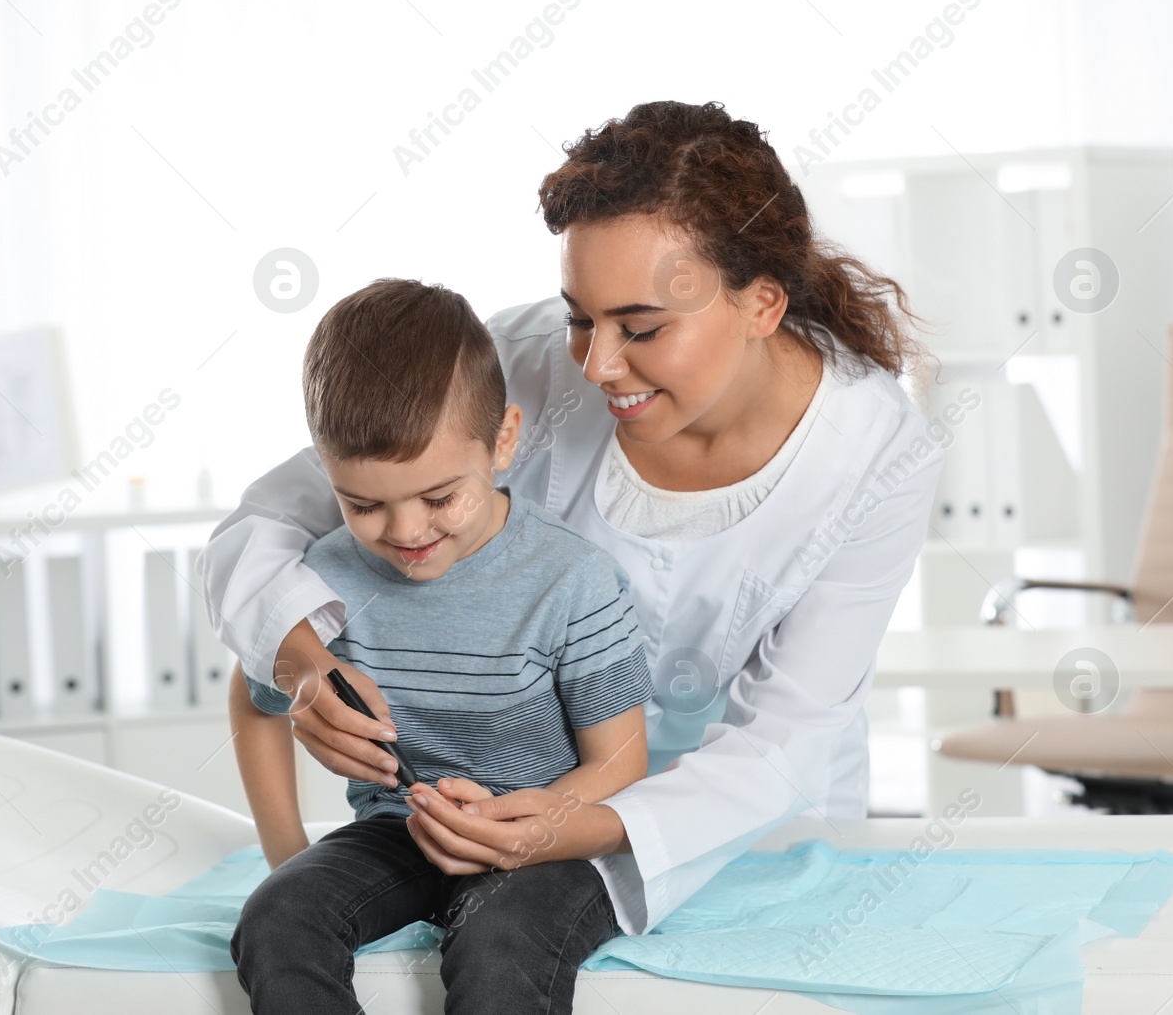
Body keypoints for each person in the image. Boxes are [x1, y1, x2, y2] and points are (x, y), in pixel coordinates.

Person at [197, 99, 945, 940]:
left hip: (745, 829)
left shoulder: (878, 451)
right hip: (495, 812)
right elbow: (260, 525)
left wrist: (571, 820)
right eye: (580, 317)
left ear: (763, 304)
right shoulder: (516, 365)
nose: (597, 364)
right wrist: (302, 667)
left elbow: (785, 739)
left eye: (643, 327)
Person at [225, 277, 655, 1014]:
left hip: (545, 840)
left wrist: (520, 821)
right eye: (364, 504)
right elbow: (255, 694)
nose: (405, 531)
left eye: (438, 497)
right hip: (397, 834)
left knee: (500, 941)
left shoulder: (575, 582)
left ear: (504, 441)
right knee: (277, 917)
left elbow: (620, 758)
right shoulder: (321, 581)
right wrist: (287, 852)